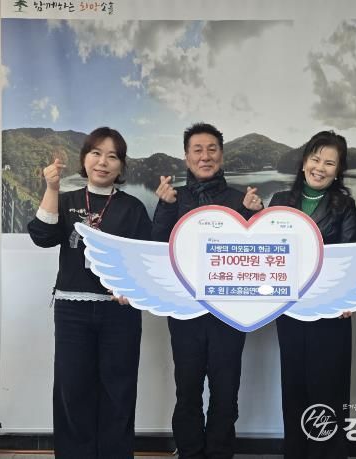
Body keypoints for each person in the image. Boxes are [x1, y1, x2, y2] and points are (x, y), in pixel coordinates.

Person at [28, 127, 152, 459]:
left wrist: (132, 288)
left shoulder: (132, 207)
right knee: (72, 389)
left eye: (112, 156)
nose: (103, 162)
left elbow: (144, 258)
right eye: (96, 153)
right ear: (84, 159)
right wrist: (51, 188)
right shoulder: (67, 199)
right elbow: (42, 236)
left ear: (121, 165)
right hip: (72, 310)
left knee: (118, 390)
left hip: (119, 312)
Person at [151, 122, 263, 459]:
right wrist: (165, 207)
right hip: (185, 311)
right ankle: (189, 452)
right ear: (186, 157)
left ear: (222, 155)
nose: (205, 156)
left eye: (212, 149)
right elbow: (158, 248)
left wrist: (255, 214)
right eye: (197, 150)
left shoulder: (240, 198)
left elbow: (256, 255)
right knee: (187, 390)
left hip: (229, 313)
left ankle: (219, 452)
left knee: (225, 391)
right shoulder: (174, 197)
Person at [269, 130, 356, 459]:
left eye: (329, 163)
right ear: (304, 161)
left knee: (328, 392)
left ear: (338, 170)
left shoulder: (344, 205)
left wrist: (347, 298)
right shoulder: (280, 201)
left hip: (330, 314)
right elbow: (267, 253)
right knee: (294, 388)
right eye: (315, 159)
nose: (320, 168)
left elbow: (349, 257)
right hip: (290, 312)